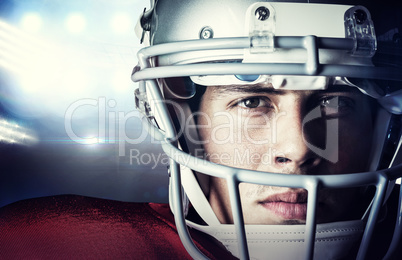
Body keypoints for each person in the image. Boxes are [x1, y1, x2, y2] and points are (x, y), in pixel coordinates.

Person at [1, 0, 401, 259]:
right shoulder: (60, 246)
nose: (296, 148)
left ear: (383, 125)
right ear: (186, 123)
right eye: (252, 101)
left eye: (335, 102)